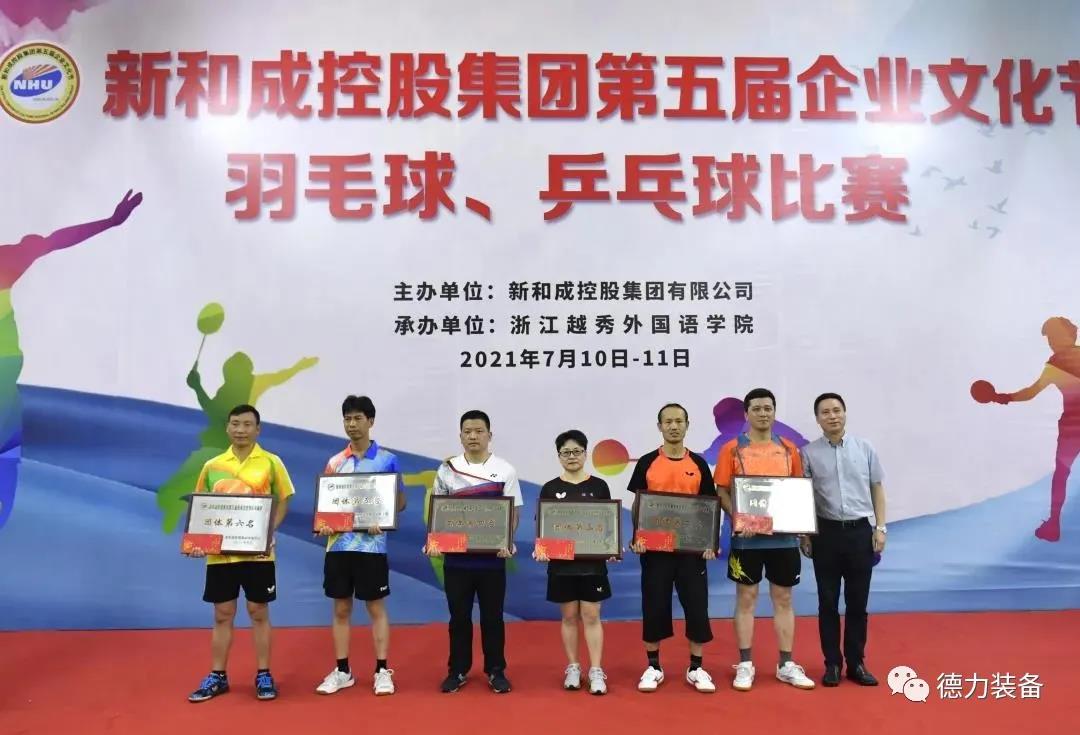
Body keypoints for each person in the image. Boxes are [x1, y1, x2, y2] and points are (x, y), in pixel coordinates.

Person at [0, 189, 142, 532]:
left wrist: (110, 221)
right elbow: (53, 241)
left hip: (5, 368)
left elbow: (56, 240)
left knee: (7, 448)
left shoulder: (7, 259)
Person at [187, 404, 295, 703]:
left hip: (258, 554)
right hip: (221, 556)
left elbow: (284, 499)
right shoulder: (212, 465)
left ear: (257, 429)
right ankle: (218, 676)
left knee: (258, 611)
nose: (241, 430)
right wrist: (197, 542)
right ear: (227, 427)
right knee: (222, 614)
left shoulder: (271, 462)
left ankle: (263, 674)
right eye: (235, 423)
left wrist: (269, 532)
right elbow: (203, 507)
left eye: (247, 424)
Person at [714, 388, 814, 691]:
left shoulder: (789, 449)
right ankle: (745, 664)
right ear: (746, 414)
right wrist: (739, 518)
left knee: (784, 599)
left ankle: (786, 664)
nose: (763, 413)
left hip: (784, 541)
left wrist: (803, 531)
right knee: (746, 599)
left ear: (774, 412)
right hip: (747, 541)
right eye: (756, 408)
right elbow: (721, 491)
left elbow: (796, 493)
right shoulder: (731, 449)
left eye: (768, 408)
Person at [315, 395, 407, 696]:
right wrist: (325, 523)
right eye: (347, 419)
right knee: (341, 608)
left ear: (370, 421)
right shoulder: (335, 462)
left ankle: (382, 670)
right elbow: (328, 507)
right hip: (338, 546)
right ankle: (343, 671)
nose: (352, 424)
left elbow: (400, 502)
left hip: (372, 547)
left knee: (375, 607)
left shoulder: (387, 459)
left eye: (357, 418)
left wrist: (384, 515)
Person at [425, 410, 522, 694]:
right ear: (460, 436)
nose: (473, 436)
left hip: (492, 561)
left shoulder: (505, 470)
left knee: (493, 618)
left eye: (479, 431)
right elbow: (439, 510)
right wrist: (434, 540)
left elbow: (513, 512)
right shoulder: (448, 469)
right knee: (459, 618)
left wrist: (507, 540)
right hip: (457, 560)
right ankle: (457, 670)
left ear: (489, 435)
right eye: (467, 431)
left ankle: (496, 670)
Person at [628, 403, 717, 694]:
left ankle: (696, 668)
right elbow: (638, 504)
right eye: (668, 422)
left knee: (696, 606)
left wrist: (708, 542)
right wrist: (637, 536)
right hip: (656, 551)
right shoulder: (647, 462)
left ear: (687, 425)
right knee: (654, 605)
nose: (674, 426)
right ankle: (653, 666)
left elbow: (708, 508)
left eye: (679, 421)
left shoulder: (699, 464)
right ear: (660, 427)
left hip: (691, 552)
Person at [799, 392, 886, 687]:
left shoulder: (865, 448)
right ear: (817, 419)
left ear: (845, 413)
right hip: (826, 534)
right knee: (827, 602)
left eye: (837, 410)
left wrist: (881, 527)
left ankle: (856, 663)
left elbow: (877, 488)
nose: (832, 416)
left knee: (857, 603)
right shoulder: (808, 453)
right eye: (825, 412)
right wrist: (806, 533)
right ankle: (832, 664)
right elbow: (805, 497)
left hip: (860, 532)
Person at [981, 316, 1080, 541]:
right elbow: (1031, 392)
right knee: (1061, 474)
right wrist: (1003, 397)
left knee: (1061, 474)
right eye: (1050, 338)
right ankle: (1053, 524)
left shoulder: (1055, 365)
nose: (1052, 342)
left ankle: (1053, 525)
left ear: (1070, 334)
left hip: (1072, 428)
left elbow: (1030, 393)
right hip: (1070, 428)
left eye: (1055, 336)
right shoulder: (1054, 365)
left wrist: (1002, 397)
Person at [533, 429, 612, 695]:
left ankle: (596, 670)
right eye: (565, 452)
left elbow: (608, 525)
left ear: (585, 454)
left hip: (593, 565)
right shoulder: (550, 488)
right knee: (568, 617)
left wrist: (612, 547)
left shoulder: (599, 486)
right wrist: (541, 548)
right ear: (559, 456)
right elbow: (543, 527)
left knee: (591, 615)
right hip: (562, 566)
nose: (571, 456)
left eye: (577, 451)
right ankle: (573, 667)